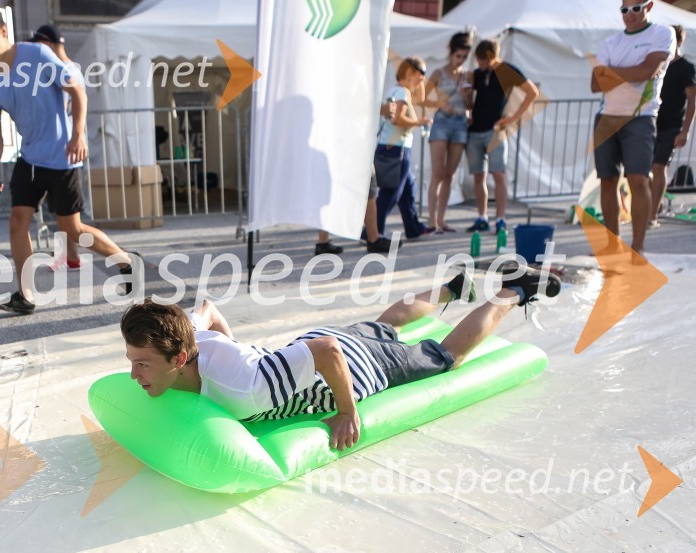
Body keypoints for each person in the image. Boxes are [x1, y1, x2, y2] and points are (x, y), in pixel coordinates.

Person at [121, 267, 561, 451]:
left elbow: (329, 354)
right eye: (132, 360)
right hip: (307, 346)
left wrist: (348, 412)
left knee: (447, 355)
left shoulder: (245, 389)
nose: (133, 373)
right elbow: (208, 309)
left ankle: (515, 290)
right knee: (384, 323)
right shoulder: (187, 334)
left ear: (180, 357)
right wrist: (234, 346)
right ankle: (450, 288)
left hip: (352, 364)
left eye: (142, 363)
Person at [0, 2, 139, 314]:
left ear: (3, 31)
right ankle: (26, 295)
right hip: (30, 158)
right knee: (18, 220)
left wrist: (78, 134)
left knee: (72, 230)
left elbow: (77, 92)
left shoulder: (38, 55)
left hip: (63, 156)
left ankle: (125, 260)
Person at [591, 0, 675, 256]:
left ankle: (638, 246)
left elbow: (648, 71)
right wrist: (633, 71)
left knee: (638, 179)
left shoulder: (662, 32)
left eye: (635, 9)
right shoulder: (610, 42)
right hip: (607, 116)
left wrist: (612, 73)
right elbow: (595, 84)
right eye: (624, 10)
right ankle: (612, 244)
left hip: (641, 115)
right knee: (607, 181)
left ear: (648, 7)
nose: (629, 15)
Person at [465, 40, 539, 234]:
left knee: (499, 174)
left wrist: (514, 117)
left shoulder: (507, 71)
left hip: (496, 129)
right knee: (478, 175)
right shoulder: (478, 74)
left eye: (482, 60)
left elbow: (532, 92)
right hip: (475, 130)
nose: (480, 63)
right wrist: (468, 112)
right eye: (478, 60)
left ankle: (500, 218)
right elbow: (471, 100)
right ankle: (482, 217)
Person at [28, 23, 85, 270]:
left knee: (70, 218)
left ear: (47, 44)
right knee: (63, 214)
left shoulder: (65, 70)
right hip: (61, 149)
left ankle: (121, 258)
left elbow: (66, 106)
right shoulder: (70, 69)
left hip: (66, 150)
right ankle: (69, 257)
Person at [370, 56, 430, 243]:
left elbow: (419, 99)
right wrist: (419, 122)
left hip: (391, 146)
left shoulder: (394, 90)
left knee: (408, 190)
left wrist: (418, 81)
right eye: (421, 74)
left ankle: (413, 228)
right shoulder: (402, 93)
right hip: (396, 148)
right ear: (410, 73)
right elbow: (396, 119)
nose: (423, 79)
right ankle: (372, 232)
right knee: (391, 193)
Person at [424, 32, 472, 234]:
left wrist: (466, 96)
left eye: (464, 57)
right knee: (437, 173)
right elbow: (422, 98)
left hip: (460, 123)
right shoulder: (438, 73)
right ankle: (432, 220)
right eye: (458, 56)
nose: (460, 60)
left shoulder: (468, 75)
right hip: (442, 122)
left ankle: (442, 220)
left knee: (450, 175)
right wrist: (440, 106)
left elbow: (470, 105)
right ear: (451, 53)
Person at [650, 25, 695, 228]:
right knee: (644, 170)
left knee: (659, 167)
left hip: (671, 126)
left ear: (678, 42)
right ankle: (649, 207)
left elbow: (692, 100)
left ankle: (652, 215)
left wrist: (685, 131)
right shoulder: (657, 63)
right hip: (649, 122)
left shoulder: (685, 67)